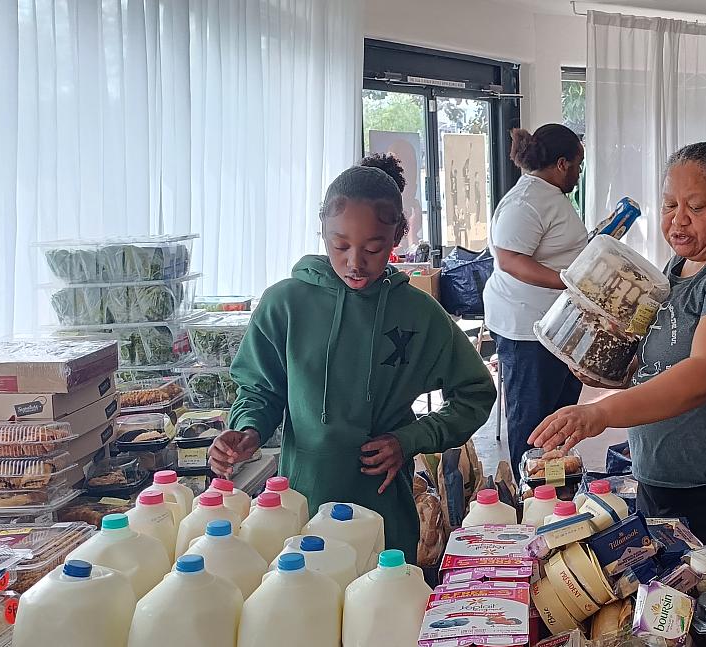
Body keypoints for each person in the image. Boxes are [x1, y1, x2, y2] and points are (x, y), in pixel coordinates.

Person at [209, 154, 497, 563]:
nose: (355, 262)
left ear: (398, 236)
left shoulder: (418, 313)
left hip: (383, 510)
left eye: (373, 248)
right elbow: (260, 389)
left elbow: (476, 393)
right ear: (322, 231)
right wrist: (248, 431)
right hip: (297, 508)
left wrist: (409, 440)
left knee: (382, 612)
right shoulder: (285, 304)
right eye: (339, 245)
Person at [530, 142, 706, 543]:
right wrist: (608, 375)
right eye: (669, 206)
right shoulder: (677, 266)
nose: (679, 220)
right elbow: (657, 364)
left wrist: (600, 414)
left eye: (696, 207)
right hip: (667, 483)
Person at [483, 123, 589, 479]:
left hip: (555, 326)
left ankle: (556, 488)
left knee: (559, 420)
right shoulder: (526, 200)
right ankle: (529, 499)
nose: (579, 172)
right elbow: (510, 259)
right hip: (528, 329)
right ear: (561, 163)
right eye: (577, 164)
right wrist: (567, 281)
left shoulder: (549, 195)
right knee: (534, 423)